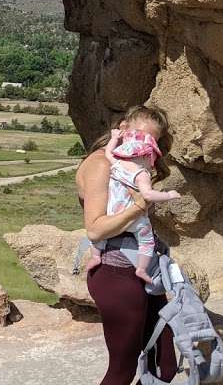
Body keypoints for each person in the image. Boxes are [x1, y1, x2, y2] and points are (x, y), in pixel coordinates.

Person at [76, 105, 178, 385]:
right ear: (122, 129)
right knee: (122, 370)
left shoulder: (129, 164)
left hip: (142, 270)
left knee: (164, 363)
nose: (143, 143)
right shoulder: (101, 164)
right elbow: (95, 228)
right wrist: (138, 208)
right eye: (138, 134)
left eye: (151, 140)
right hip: (115, 273)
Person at [86, 115, 182, 281]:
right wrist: (165, 196)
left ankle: (96, 256)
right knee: (147, 240)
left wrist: (115, 138)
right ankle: (141, 269)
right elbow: (95, 231)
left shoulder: (115, 163)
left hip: (117, 253)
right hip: (116, 266)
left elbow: (109, 152)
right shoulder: (129, 170)